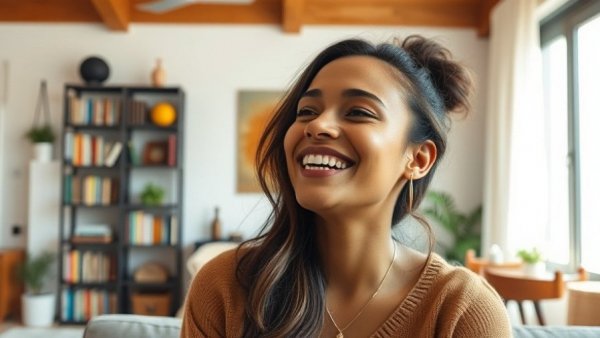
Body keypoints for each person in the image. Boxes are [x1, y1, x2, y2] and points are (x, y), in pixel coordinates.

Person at [182, 35, 511, 338]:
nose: (317, 125)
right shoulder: (223, 287)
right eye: (306, 111)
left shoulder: (462, 310)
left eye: (358, 112)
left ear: (419, 159)